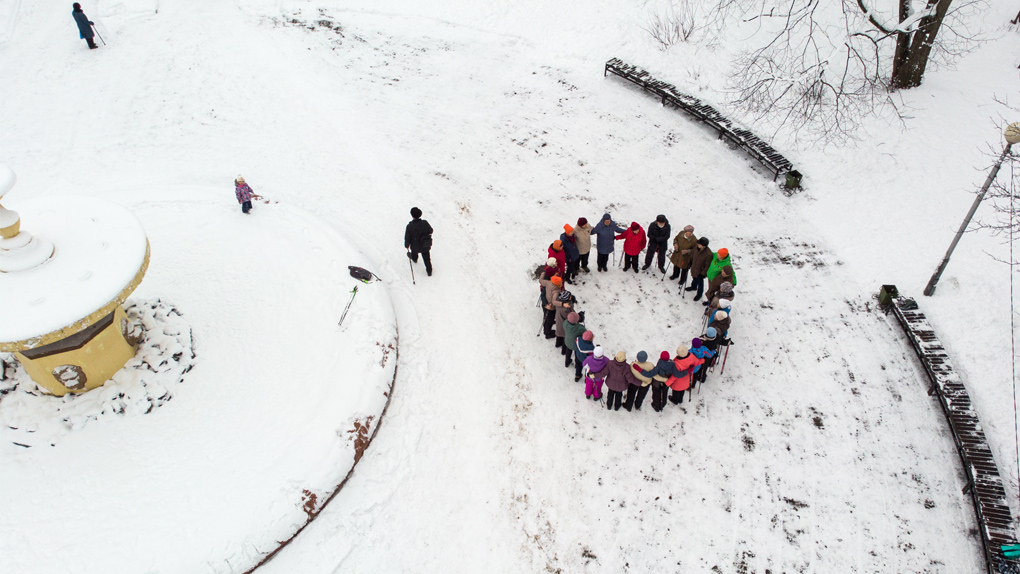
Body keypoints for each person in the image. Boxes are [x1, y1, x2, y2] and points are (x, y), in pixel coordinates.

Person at [405, 207, 434, 276]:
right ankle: (429, 271)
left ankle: (414, 259)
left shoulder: (409, 226)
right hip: (425, 244)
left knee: (414, 252)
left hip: (415, 245)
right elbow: (431, 231)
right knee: (427, 258)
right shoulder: (425, 222)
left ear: (412, 216)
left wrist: (407, 245)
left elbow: (407, 237)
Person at [539, 275, 563, 339]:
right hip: (551, 307)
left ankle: (545, 327)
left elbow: (541, 280)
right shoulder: (556, 290)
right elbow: (554, 302)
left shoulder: (548, 282)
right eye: (560, 282)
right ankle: (548, 333)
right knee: (550, 320)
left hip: (545, 304)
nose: (561, 283)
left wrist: (543, 273)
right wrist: (562, 304)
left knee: (546, 316)